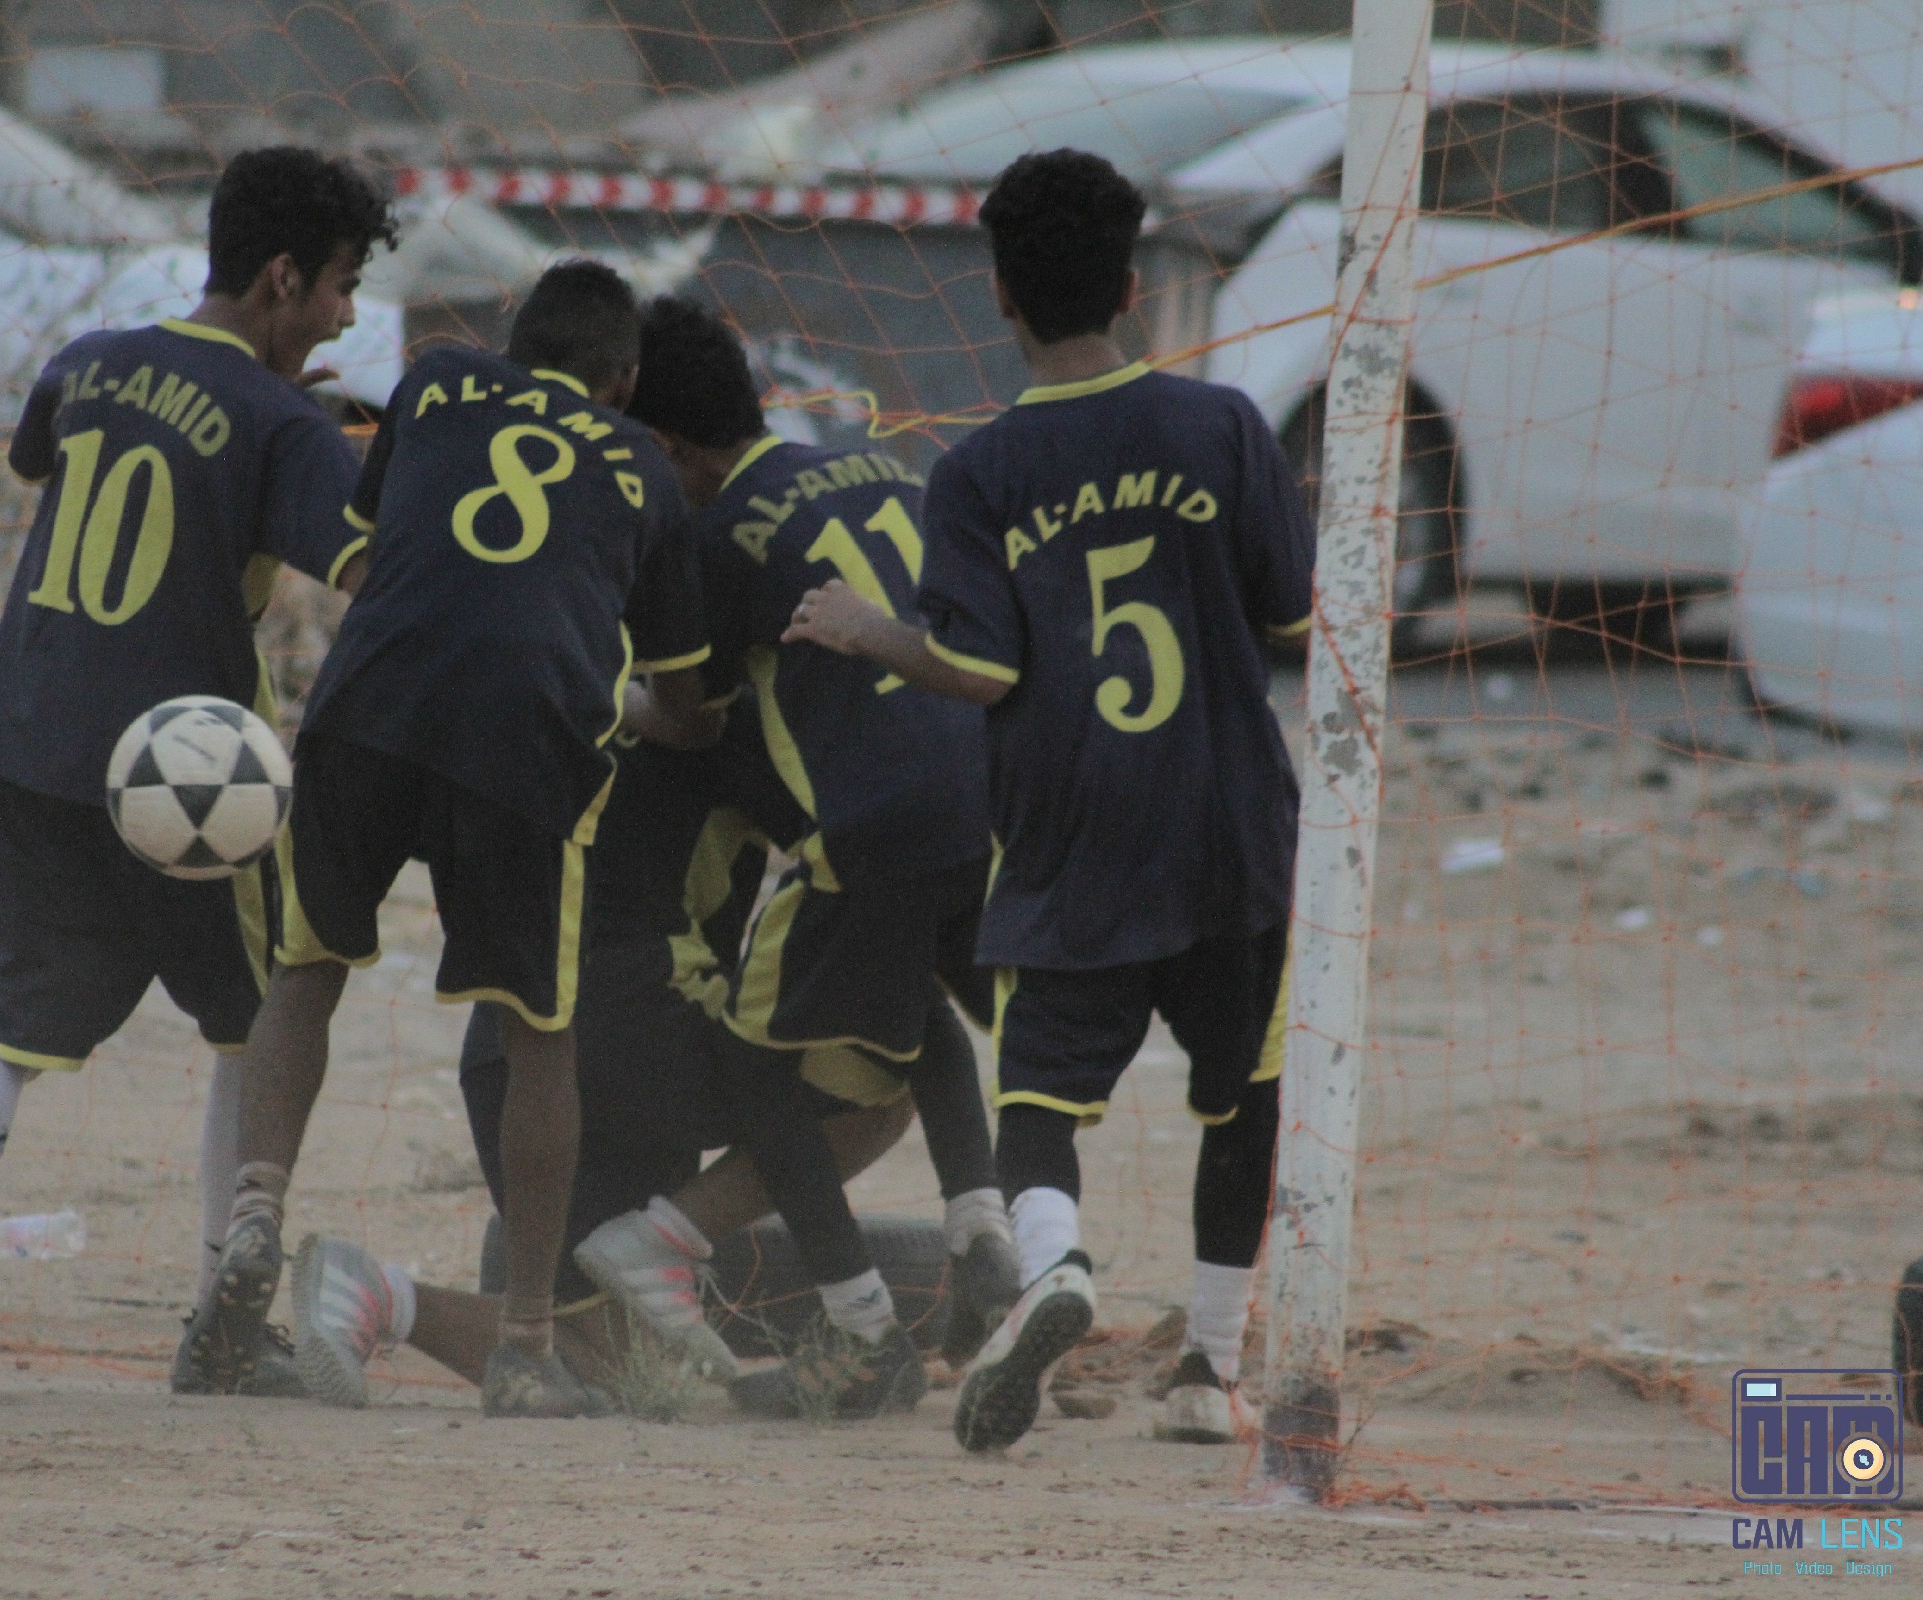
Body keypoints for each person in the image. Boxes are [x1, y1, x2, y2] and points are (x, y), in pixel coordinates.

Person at [784, 148, 1315, 1452]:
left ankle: (1059, 1265)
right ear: (1134, 288)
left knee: (1040, 1100)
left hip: (1074, 829)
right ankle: (1209, 1372)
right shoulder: (1223, 427)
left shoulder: (982, 470)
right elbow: (1297, 615)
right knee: (1244, 1092)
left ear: (1002, 297)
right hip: (1231, 822)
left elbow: (981, 669)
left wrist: (867, 628)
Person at [0, 147, 395, 1394]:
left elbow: (43, 457)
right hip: (192, 769)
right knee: (256, 1021)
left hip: (36, 735)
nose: (346, 315)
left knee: (17, 1011)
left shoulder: (87, 360)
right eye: (338, 285)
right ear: (282, 278)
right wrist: (328, 448)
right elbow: (371, 571)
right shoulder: (285, 423)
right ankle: (224, 1320)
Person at [185, 261, 719, 1418]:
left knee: (305, 970)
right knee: (540, 1036)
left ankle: (256, 1216)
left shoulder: (434, 384)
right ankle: (524, 1343)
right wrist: (655, 704)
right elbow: (685, 707)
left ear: (514, 333)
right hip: (525, 741)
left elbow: (383, 550)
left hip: (368, 707)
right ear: (624, 380)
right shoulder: (642, 467)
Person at [580, 297, 1021, 1421]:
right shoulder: (886, 468)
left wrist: (598, 691)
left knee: (756, 1064)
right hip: (986, 804)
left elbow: (694, 718)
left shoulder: (712, 539)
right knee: (916, 1001)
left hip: (865, 832)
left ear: (662, 445)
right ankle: (981, 1220)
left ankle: (856, 1324)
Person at [283, 714, 930, 1408]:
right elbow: (868, 860)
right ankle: (665, 1239)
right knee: (883, 1078)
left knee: (612, 1363)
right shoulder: (724, 715)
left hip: (511, 1053)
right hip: (642, 1027)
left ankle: (375, 1295)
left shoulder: (572, 698)